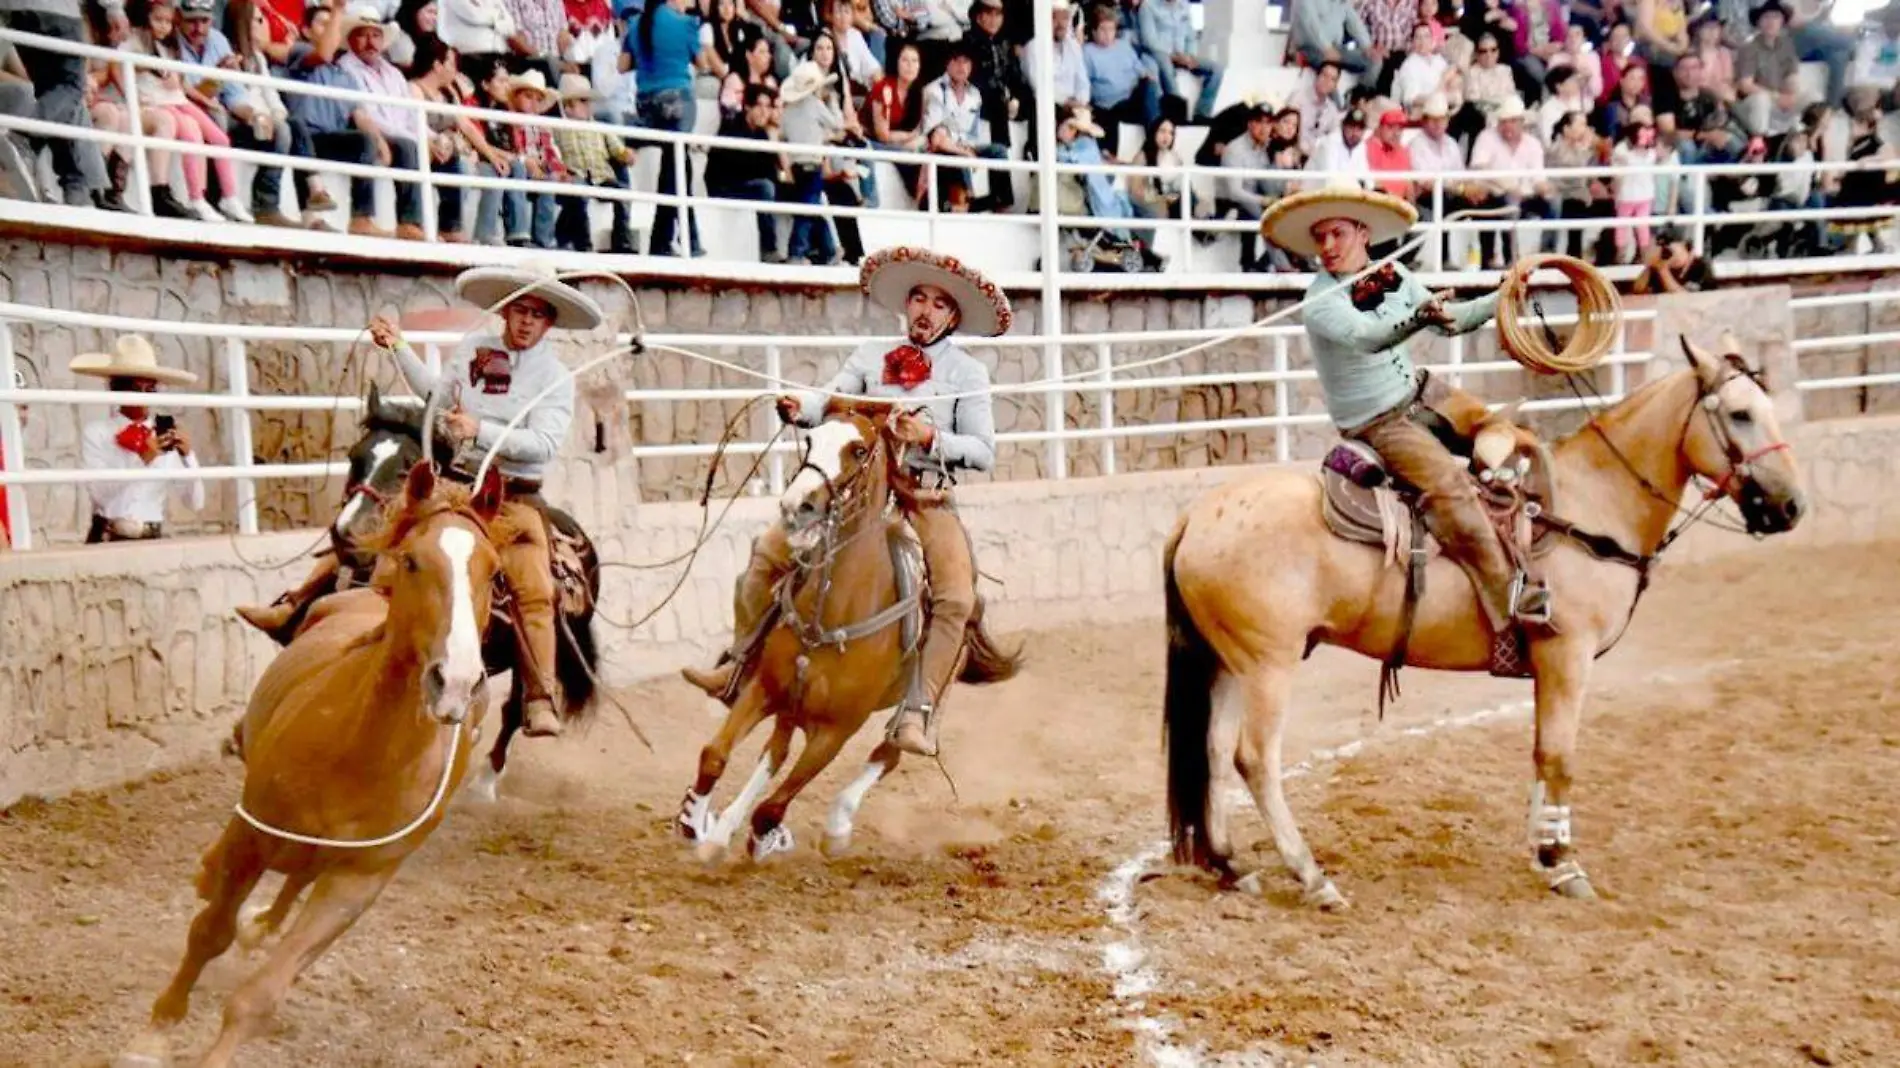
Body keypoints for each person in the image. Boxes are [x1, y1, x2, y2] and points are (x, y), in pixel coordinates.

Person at [237, 262, 604, 739]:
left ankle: (538, 695)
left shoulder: (556, 377)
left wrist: (481, 430)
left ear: (549, 321)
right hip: (456, 482)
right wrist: (400, 350)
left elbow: (546, 445)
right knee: (382, 528)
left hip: (513, 497)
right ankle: (296, 604)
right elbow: (435, 394)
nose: (526, 321)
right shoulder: (475, 350)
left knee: (533, 583)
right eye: (519, 310)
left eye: (537, 313)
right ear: (506, 312)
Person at [681, 246, 1011, 758]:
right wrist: (803, 407)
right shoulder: (869, 355)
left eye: (939, 304)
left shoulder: (968, 375)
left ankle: (916, 710)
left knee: (955, 599)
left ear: (953, 316)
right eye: (918, 298)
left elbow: (984, 451)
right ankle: (740, 664)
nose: (925, 310)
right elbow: (830, 397)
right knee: (766, 555)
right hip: (855, 494)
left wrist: (928, 437)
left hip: (924, 500)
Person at [1257, 184, 1551, 630]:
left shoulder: (1393, 274)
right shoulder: (1320, 301)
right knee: (1451, 491)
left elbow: (1452, 321)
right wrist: (1418, 317)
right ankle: (1512, 603)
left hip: (1420, 392)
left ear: (1362, 232)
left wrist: (1503, 295)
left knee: (1505, 431)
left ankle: (1513, 505)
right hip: (1378, 422)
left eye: (1336, 234)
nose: (1328, 247)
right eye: (1320, 238)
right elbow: (1366, 337)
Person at [72, 336, 206, 543]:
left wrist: (189, 457)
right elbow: (99, 495)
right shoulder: (97, 432)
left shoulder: (163, 434)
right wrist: (141, 459)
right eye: (134, 388)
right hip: (109, 535)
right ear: (117, 389)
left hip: (151, 537)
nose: (143, 396)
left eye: (150, 388)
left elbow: (195, 502)